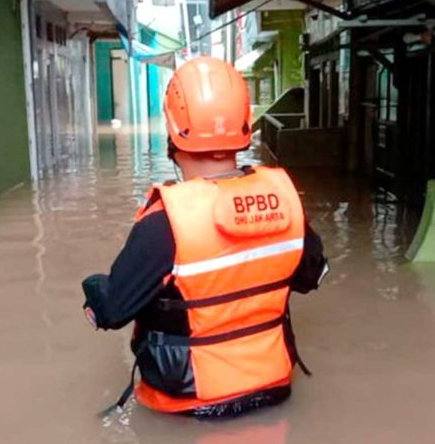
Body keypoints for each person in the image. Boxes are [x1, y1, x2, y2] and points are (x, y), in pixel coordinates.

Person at [82, 56, 328, 419]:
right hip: (274, 388)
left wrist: (95, 289)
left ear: (172, 129)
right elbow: (312, 276)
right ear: (245, 123)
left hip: (189, 404)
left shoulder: (165, 223)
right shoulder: (285, 202)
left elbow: (114, 311)